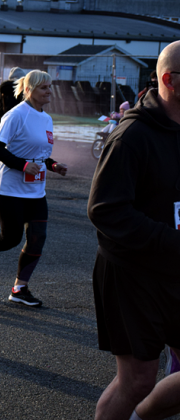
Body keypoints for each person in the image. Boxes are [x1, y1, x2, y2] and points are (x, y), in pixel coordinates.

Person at [88, 40, 180, 420]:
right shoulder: (132, 137)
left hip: (174, 267)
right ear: (169, 80)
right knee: (138, 379)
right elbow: (105, 211)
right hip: (131, 273)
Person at [0, 70, 68, 307]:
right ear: (29, 90)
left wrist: (53, 165)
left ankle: (20, 288)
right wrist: (23, 165)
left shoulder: (46, 118)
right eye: (44, 87)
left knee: (38, 238)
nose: (49, 91)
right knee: (11, 238)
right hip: (10, 189)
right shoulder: (16, 115)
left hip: (36, 190)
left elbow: (39, 155)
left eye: (50, 87)